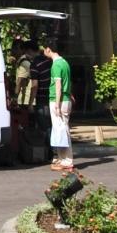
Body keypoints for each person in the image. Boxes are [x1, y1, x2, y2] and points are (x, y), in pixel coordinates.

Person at [43, 42, 74, 171]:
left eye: (44, 49)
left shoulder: (56, 65)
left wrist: (56, 104)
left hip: (59, 100)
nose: (44, 51)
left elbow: (58, 85)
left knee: (61, 129)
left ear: (49, 49)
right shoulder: (65, 63)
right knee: (62, 128)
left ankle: (67, 161)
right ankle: (63, 160)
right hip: (65, 99)